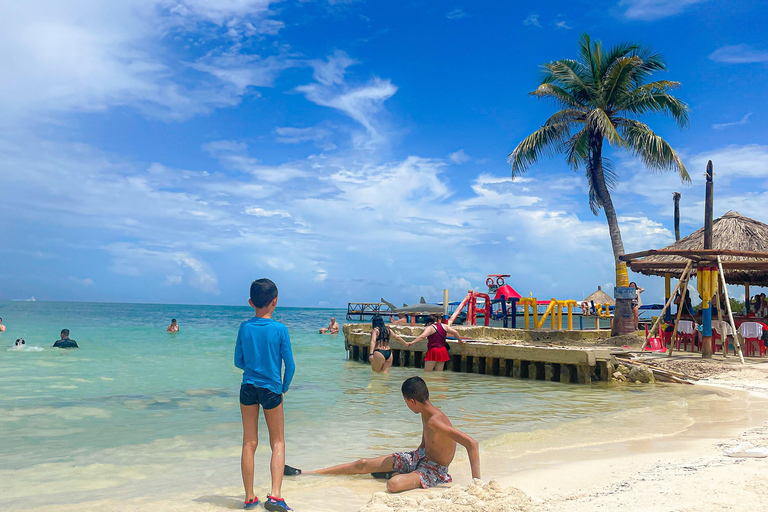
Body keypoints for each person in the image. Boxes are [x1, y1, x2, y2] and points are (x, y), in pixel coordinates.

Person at [285, 376, 480, 493]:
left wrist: (477, 484)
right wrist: (408, 459)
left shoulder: (435, 420)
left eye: (405, 402)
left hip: (435, 470)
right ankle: (306, 473)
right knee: (362, 463)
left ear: (412, 401)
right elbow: (425, 445)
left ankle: (396, 474)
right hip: (419, 457)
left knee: (393, 485)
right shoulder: (425, 412)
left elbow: (471, 443)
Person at [234, 278, 296, 512]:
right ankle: (276, 496)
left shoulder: (244, 327)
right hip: (271, 388)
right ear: (275, 301)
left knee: (249, 442)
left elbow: (238, 361)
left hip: (248, 386)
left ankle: (250, 497)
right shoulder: (280, 329)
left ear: (251, 302)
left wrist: (254, 368)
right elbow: (289, 365)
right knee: (277, 441)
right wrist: (284, 386)